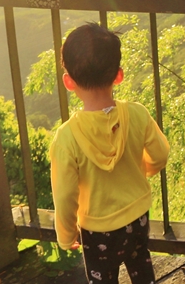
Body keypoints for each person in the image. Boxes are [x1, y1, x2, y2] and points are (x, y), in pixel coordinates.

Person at [50, 22, 170, 284]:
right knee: (141, 266)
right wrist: (144, 169)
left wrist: (66, 234)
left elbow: (65, 194)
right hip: (137, 216)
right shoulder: (137, 114)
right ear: (118, 75)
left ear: (68, 82)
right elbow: (160, 155)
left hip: (97, 229)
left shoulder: (67, 138)